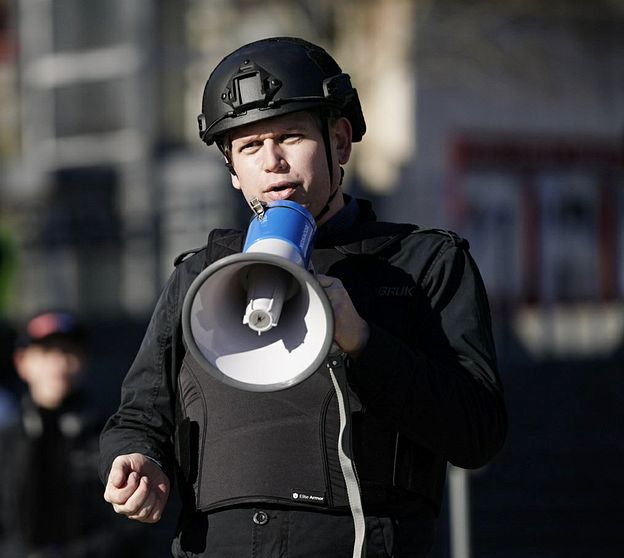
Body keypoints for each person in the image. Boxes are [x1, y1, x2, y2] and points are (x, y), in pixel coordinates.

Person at [99, 37, 507, 557]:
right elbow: (139, 415)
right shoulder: (198, 276)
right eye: (248, 147)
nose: (272, 162)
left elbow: (479, 432)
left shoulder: (423, 262)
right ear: (231, 170)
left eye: (290, 137)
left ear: (339, 142)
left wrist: (365, 344)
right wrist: (136, 458)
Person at [0, 311, 141, 558]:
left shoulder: (109, 442)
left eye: (67, 352)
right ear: (22, 363)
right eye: (46, 353)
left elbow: (130, 528)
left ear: (83, 360)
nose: (59, 364)